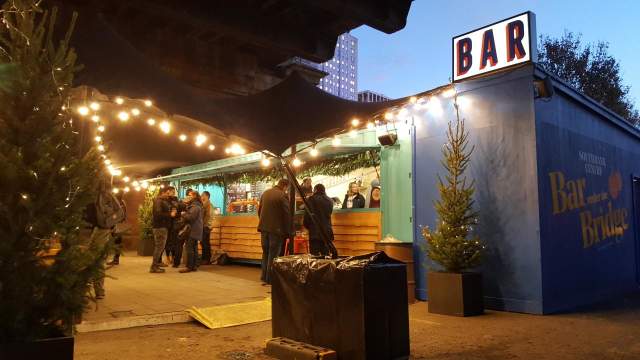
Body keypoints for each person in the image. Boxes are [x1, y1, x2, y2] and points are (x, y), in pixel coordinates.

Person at [257, 178, 292, 285]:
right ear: (285, 186)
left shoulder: (265, 193)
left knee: (266, 253)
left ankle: (264, 276)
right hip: (276, 230)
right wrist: (290, 231)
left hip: (264, 228)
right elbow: (286, 214)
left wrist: (264, 223)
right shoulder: (282, 195)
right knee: (273, 254)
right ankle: (270, 278)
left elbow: (259, 211)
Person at [303, 184, 334, 256]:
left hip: (315, 232)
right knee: (326, 255)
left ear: (316, 190)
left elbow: (307, 215)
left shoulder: (311, 199)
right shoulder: (330, 200)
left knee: (315, 256)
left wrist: (307, 226)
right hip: (327, 232)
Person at [151, 186, 177, 273]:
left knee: (160, 247)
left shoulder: (162, 201)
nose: (168, 194)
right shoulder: (158, 201)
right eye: (168, 193)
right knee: (159, 247)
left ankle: (156, 265)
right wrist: (170, 214)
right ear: (163, 192)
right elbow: (158, 214)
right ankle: (154, 266)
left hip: (162, 226)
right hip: (160, 227)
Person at [179, 189, 203, 273]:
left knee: (189, 248)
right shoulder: (194, 205)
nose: (188, 197)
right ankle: (194, 266)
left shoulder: (195, 206)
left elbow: (190, 218)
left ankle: (189, 266)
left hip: (193, 230)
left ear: (195, 197)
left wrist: (183, 214)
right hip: (194, 230)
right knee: (194, 248)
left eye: (190, 195)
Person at [107, 192, 127, 265]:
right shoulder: (123, 203)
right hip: (119, 225)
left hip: (116, 225)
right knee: (118, 242)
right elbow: (124, 215)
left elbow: (115, 215)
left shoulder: (117, 204)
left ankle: (115, 259)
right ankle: (116, 259)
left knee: (116, 242)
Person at [200, 191, 214, 265]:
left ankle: (206, 259)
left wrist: (203, 224)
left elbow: (208, 216)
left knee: (205, 243)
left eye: (203, 195)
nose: (201, 196)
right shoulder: (205, 204)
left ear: (207, 196)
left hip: (206, 226)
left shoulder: (208, 205)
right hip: (205, 226)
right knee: (203, 242)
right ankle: (204, 258)